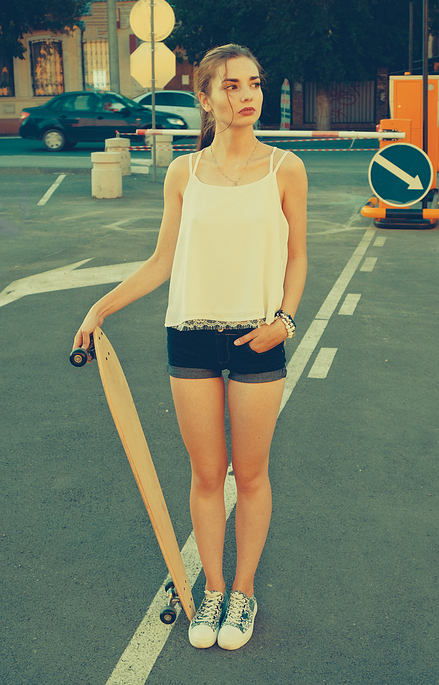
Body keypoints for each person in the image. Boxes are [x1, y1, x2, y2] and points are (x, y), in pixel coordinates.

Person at [73, 44, 308, 650]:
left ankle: (244, 594)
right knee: (208, 476)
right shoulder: (185, 172)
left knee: (250, 475)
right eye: (231, 87)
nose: (247, 96)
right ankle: (211, 592)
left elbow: (300, 255)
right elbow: (161, 262)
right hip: (191, 335)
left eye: (254, 83)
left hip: (258, 334)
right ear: (204, 98)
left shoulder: (286, 168)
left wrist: (285, 319)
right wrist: (101, 307)